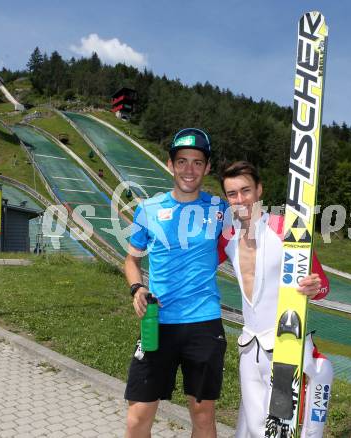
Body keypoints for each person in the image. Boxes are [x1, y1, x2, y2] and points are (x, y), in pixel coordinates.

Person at [124, 128, 228, 438]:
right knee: (138, 415)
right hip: (158, 323)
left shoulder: (221, 210)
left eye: (198, 162)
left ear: (207, 168)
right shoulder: (147, 209)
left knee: (203, 415)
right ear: (170, 165)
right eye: (182, 161)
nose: (189, 169)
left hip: (204, 323)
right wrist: (136, 287)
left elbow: (254, 247)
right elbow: (131, 260)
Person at [218, 161, 333, 438]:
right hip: (248, 346)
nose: (240, 199)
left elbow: (323, 286)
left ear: (259, 190)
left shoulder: (288, 229)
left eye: (246, 190)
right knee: (251, 427)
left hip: (287, 345)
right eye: (232, 194)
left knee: (283, 428)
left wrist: (315, 287)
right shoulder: (227, 237)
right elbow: (197, 267)